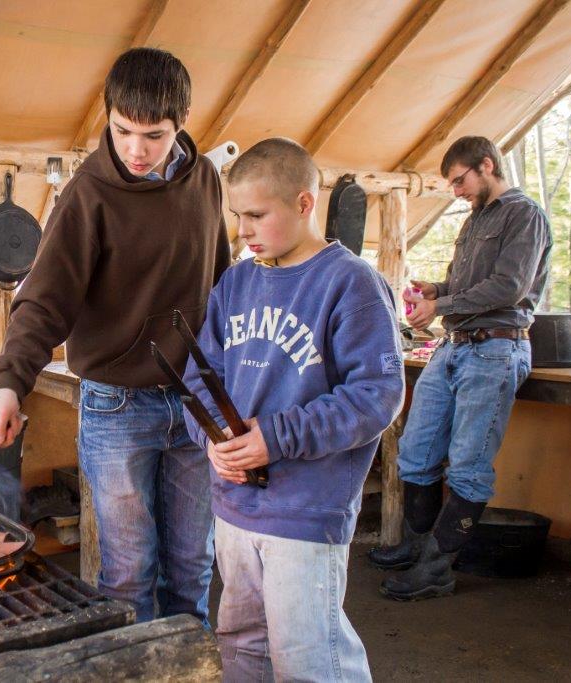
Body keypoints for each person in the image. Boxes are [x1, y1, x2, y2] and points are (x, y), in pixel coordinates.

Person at [0, 47, 230, 624]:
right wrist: (10, 383)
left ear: (181, 125)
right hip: (119, 406)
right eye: (122, 131)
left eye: (154, 136)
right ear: (107, 116)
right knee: (129, 574)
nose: (136, 149)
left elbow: (221, 283)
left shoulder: (206, 181)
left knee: (192, 567)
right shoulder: (88, 193)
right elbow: (44, 298)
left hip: (197, 403)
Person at [184, 137, 404, 681]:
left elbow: (377, 395)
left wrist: (275, 438)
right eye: (238, 216)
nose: (243, 230)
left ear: (305, 204)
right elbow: (201, 378)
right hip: (234, 506)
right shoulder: (235, 283)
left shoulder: (350, 283)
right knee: (241, 645)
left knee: (309, 655)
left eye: (257, 215)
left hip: (306, 510)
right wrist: (212, 438)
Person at [371, 135, 552, 600]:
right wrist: (436, 289)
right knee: (416, 450)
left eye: (459, 181)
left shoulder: (523, 214)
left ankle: (436, 569)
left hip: (496, 349)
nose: (455, 191)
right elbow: (469, 282)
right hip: (453, 347)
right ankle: (416, 548)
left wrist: (443, 304)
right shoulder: (476, 219)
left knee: (468, 466)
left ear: (486, 166)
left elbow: (508, 288)